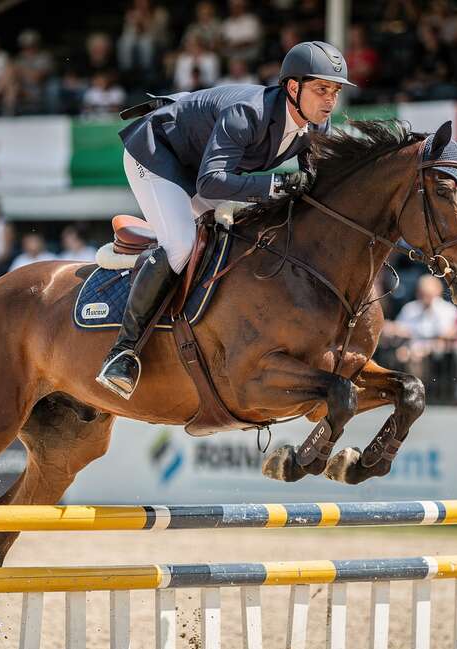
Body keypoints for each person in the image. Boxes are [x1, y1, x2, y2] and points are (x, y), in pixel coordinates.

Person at [97, 41, 354, 400]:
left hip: (200, 165)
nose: (330, 100)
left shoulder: (317, 125)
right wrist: (277, 184)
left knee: (245, 232)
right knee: (181, 245)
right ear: (294, 88)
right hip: (157, 154)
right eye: (321, 89)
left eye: (335, 91)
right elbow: (210, 183)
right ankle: (123, 352)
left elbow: (315, 187)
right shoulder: (247, 114)